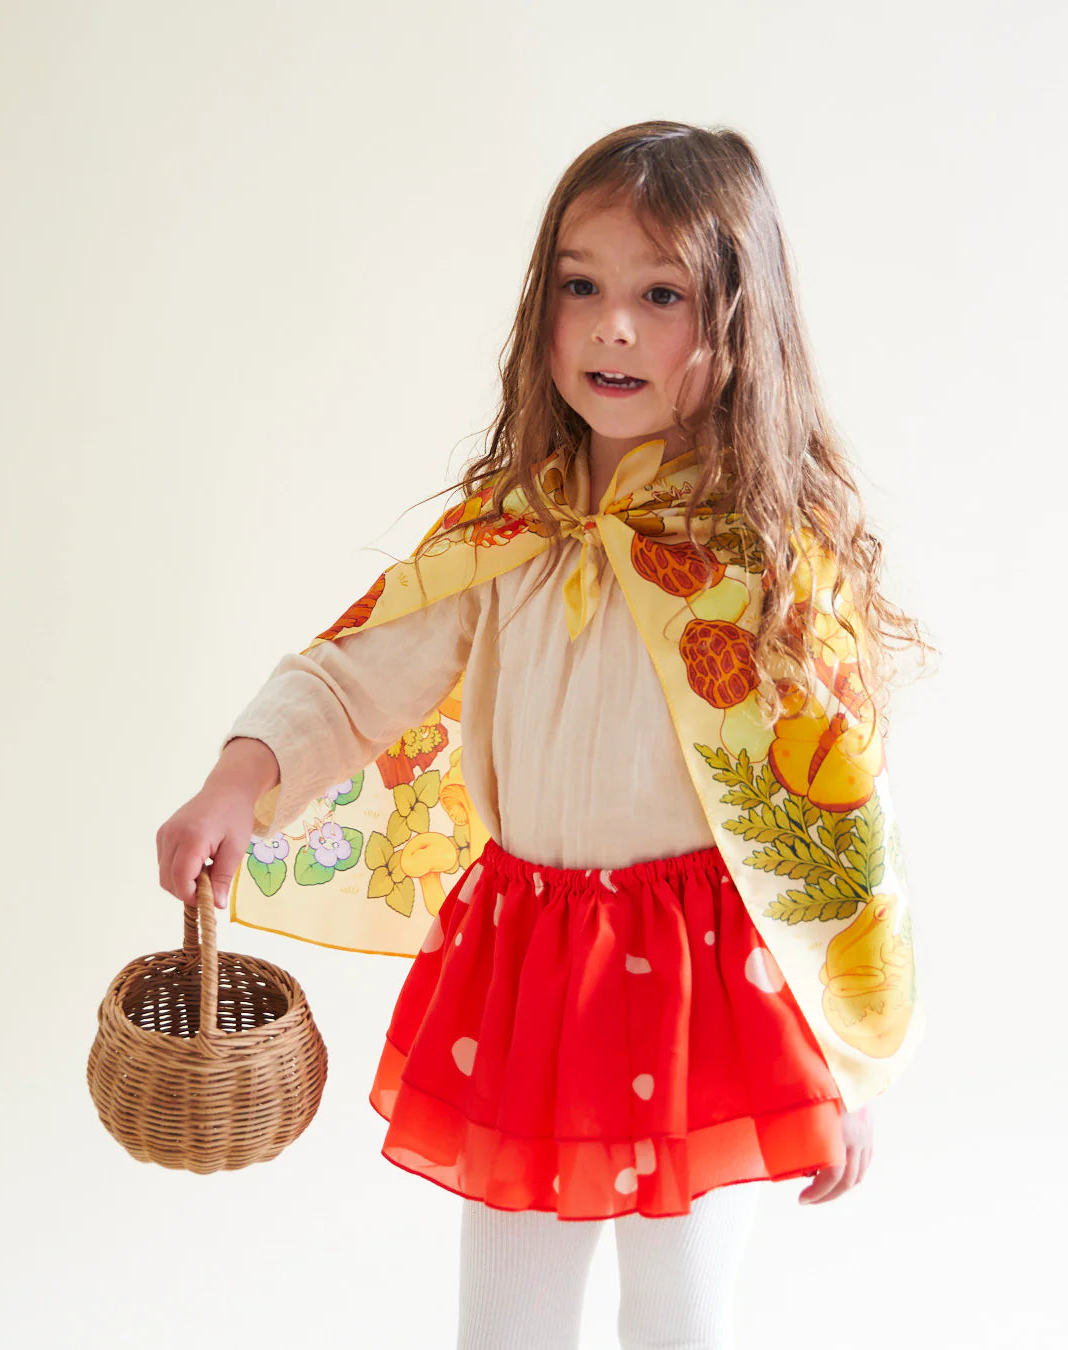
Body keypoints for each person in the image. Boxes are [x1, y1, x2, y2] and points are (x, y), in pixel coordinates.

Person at [156, 121, 932, 1350]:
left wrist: (847, 1059)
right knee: (506, 1324)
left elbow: (832, 822)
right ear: (544, 311)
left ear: (740, 323)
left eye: (660, 293)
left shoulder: (767, 563)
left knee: (677, 1317)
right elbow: (357, 673)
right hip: (529, 968)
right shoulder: (511, 532)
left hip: (706, 991)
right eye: (583, 286)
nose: (613, 325)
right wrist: (239, 781)